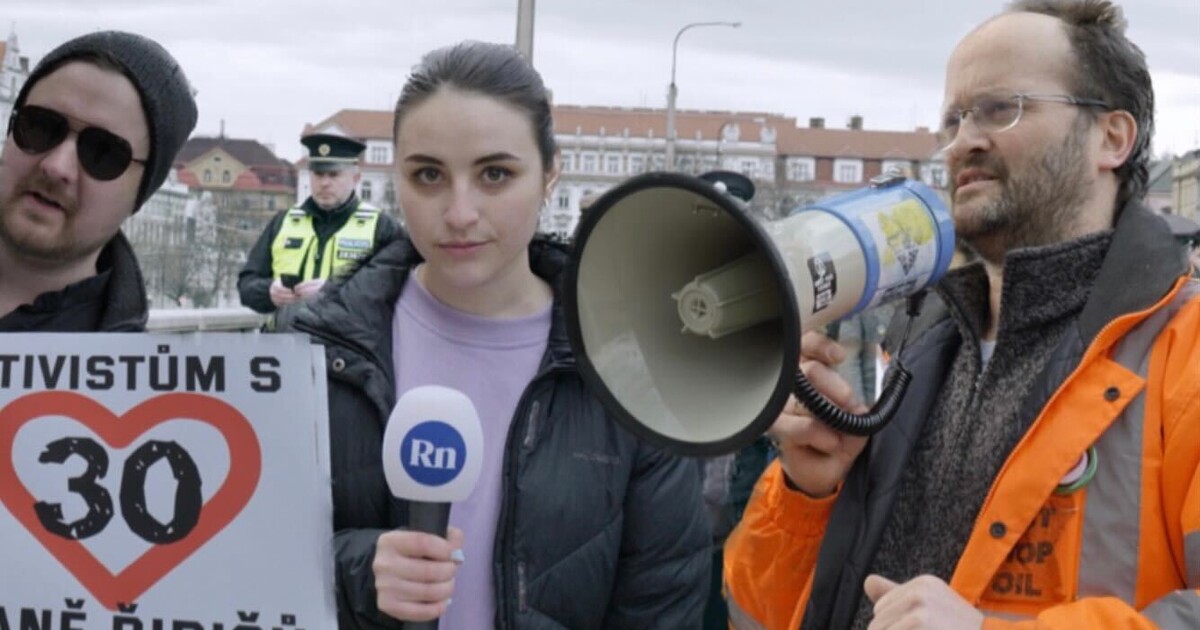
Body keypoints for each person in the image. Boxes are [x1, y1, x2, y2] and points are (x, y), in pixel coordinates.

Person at [725, 1, 1200, 628]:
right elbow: (757, 616)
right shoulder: (916, 344)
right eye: (952, 119)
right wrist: (809, 494)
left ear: (1111, 138)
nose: (963, 141)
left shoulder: (1182, 349)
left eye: (1000, 108)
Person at [276, 41, 710, 629]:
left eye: (495, 174)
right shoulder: (312, 349)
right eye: (428, 174)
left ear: (549, 173)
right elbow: (245, 557)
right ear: (394, 175)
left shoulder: (631, 365)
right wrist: (358, 569)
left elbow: (662, 601)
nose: (459, 212)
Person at [0, 31, 197, 331]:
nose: (56, 166)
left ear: (140, 193)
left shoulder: (138, 373)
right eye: (40, 126)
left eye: (102, 152)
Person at [237, 132, 401, 314]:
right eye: (318, 174)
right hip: (286, 339)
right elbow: (246, 285)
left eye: (333, 175)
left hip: (346, 341)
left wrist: (335, 290)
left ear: (356, 179)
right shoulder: (284, 222)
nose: (324, 183)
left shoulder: (381, 226)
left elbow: (397, 289)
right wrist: (268, 291)